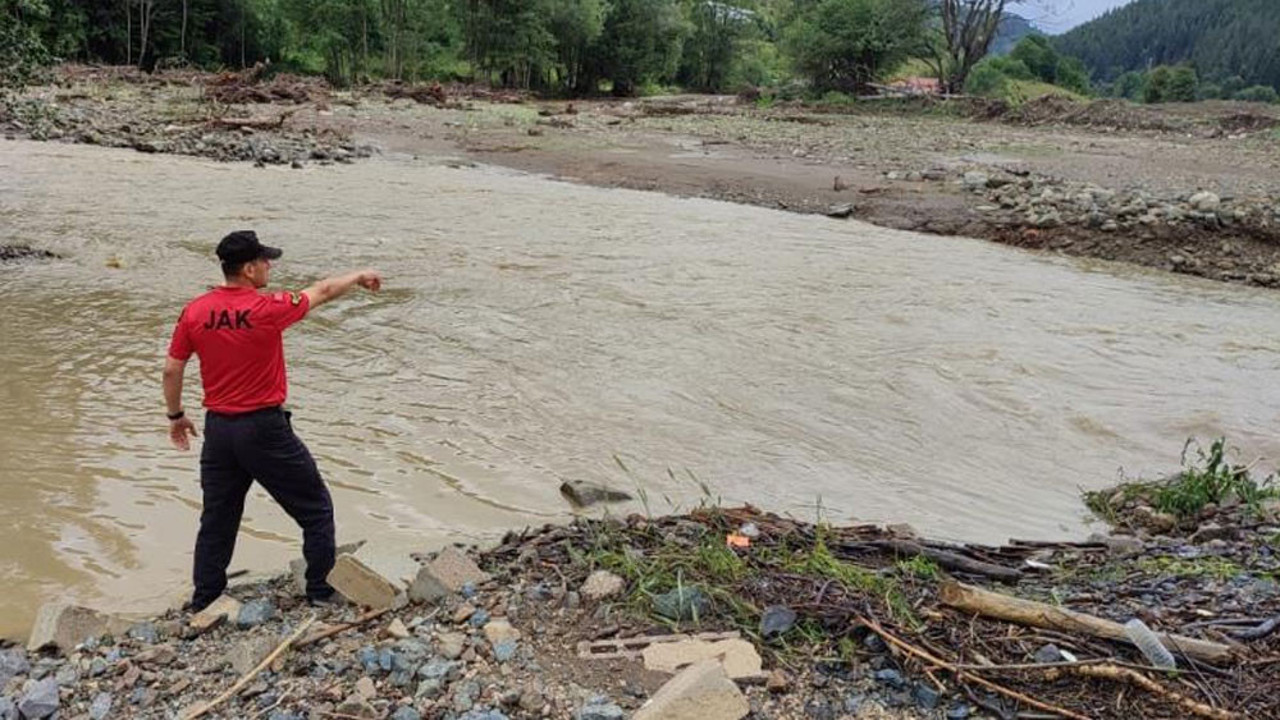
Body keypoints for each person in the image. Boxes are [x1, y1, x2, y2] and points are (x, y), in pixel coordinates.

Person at [162, 230, 382, 611]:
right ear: (248, 269)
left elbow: (171, 369)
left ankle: (206, 598)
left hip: (219, 431)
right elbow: (324, 290)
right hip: (263, 429)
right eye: (264, 260)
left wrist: (176, 416)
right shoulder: (268, 308)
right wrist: (360, 275)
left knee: (218, 516)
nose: (270, 265)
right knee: (315, 508)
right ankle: (319, 591)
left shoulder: (194, 311)